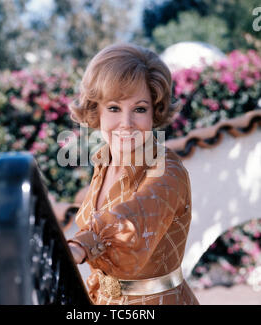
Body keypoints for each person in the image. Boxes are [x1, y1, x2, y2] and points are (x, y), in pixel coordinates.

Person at [67, 42, 200, 305]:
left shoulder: (166, 169)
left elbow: (133, 216)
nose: (126, 123)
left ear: (155, 111)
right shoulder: (103, 162)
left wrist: (80, 246)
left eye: (139, 109)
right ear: (97, 111)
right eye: (114, 108)